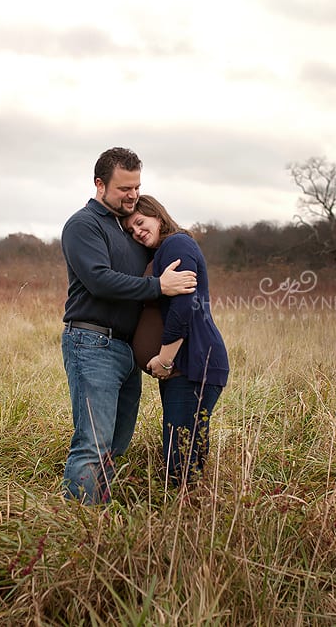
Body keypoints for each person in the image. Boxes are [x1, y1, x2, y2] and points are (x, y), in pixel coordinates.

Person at [61, 148, 197, 504]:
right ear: (99, 184)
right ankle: (77, 528)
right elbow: (99, 280)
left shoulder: (127, 229)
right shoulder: (83, 225)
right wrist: (158, 287)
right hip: (92, 343)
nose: (133, 195)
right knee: (93, 442)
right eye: (124, 188)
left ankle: (99, 518)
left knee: (118, 443)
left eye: (136, 187)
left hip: (125, 350)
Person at [123, 195, 229, 486]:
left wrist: (165, 359)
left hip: (191, 365)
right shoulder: (162, 252)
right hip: (180, 370)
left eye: (141, 223)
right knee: (182, 452)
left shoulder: (176, 244)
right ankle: (186, 515)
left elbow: (184, 305)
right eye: (132, 230)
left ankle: (186, 519)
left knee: (180, 460)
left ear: (157, 215)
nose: (138, 232)